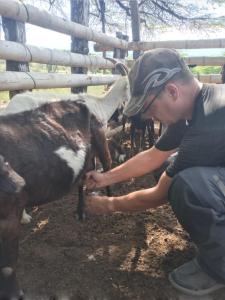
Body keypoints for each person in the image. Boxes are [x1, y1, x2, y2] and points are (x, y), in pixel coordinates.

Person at [85, 48, 225, 296]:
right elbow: (153, 155)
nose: (147, 116)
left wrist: (106, 205)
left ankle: (218, 268)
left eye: (148, 107)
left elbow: (159, 194)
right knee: (169, 165)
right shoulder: (197, 105)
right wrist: (106, 177)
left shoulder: (210, 123)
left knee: (187, 186)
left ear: (172, 91)